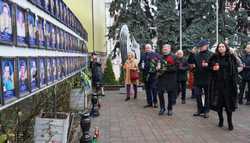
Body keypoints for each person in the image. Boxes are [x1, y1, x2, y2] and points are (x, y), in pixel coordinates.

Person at [208, 42, 238, 131]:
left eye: (222, 46)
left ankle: (230, 122)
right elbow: (209, 67)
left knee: (228, 105)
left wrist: (235, 81)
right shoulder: (214, 57)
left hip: (229, 85)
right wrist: (213, 68)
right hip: (218, 85)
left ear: (226, 47)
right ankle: (221, 119)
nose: (221, 48)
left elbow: (235, 69)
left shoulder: (231, 57)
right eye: (219, 47)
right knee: (219, 104)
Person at [189, 40, 213, 118]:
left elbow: (215, 66)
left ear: (206, 45)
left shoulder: (211, 55)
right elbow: (190, 62)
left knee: (207, 95)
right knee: (197, 94)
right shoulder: (196, 55)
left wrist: (208, 65)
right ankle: (200, 110)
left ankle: (206, 111)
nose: (200, 47)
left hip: (208, 77)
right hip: (198, 78)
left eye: (201, 46)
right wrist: (192, 53)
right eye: (199, 46)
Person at [157, 44, 177, 115]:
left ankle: (170, 108)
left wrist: (165, 68)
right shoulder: (160, 57)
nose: (164, 50)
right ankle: (162, 108)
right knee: (160, 93)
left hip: (170, 78)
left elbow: (175, 68)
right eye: (163, 49)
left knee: (170, 94)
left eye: (166, 49)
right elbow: (158, 66)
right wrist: (157, 68)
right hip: (161, 78)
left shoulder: (174, 57)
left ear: (169, 49)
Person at [140, 44, 160, 108]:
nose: (147, 49)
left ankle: (155, 102)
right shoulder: (143, 55)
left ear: (151, 48)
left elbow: (160, 61)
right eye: (146, 48)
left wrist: (158, 65)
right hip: (145, 75)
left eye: (148, 48)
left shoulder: (155, 54)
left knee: (154, 89)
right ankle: (149, 103)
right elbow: (140, 63)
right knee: (147, 90)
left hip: (153, 75)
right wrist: (141, 67)